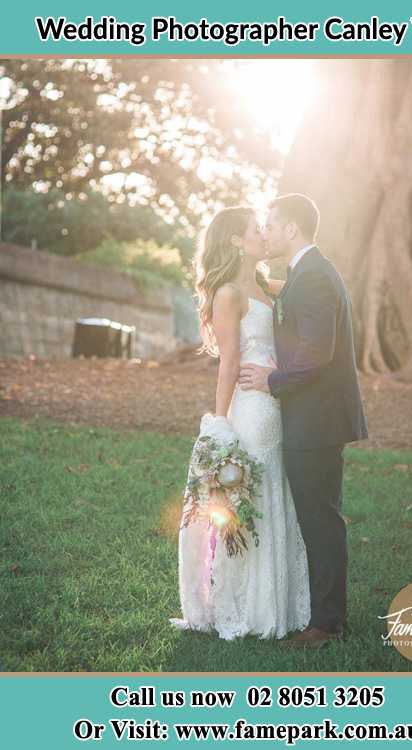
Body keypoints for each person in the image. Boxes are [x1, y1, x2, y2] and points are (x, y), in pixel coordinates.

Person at [169, 206, 310, 640]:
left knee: (273, 497)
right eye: (255, 231)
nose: (264, 236)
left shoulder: (269, 286)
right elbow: (229, 361)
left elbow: (312, 292)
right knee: (250, 503)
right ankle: (247, 607)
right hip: (251, 408)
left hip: (278, 399)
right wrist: (219, 423)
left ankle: (276, 603)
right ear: (235, 241)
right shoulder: (230, 293)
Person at [239, 193, 368, 648]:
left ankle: (327, 624)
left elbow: (317, 352)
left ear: (291, 228)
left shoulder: (313, 276)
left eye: (271, 224)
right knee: (319, 517)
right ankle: (326, 615)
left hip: (316, 419)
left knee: (319, 520)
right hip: (314, 417)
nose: (266, 232)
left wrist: (272, 379)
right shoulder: (305, 274)